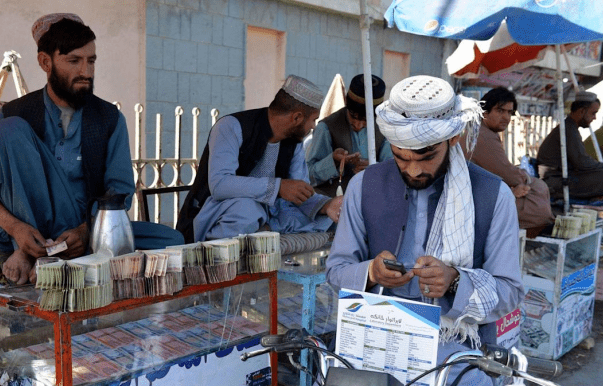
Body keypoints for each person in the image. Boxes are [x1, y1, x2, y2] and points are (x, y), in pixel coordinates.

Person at [326, 75, 524, 386]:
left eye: (427, 157)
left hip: (456, 351)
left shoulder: (494, 194)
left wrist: (456, 280)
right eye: (401, 158)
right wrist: (372, 274)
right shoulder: (364, 186)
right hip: (374, 341)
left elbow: (509, 293)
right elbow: (336, 272)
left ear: (453, 138)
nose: (415, 170)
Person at [0, 14, 183, 285]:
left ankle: (56, 258)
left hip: (87, 231)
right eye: (74, 61)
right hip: (28, 231)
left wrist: (85, 231)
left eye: (91, 61)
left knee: (173, 242)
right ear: (45, 62)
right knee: (11, 129)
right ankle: (30, 252)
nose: (87, 72)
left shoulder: (109, 118)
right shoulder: (14, 115)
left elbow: (119, 191)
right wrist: (16, 228)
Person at [177, 75, 343, 243]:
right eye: (313, 120)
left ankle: (263, 231)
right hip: (217, 213)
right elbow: (219, 185)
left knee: (326, 219)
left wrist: (327, 206)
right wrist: (277, 187)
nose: (314, 126)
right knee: (248, 210)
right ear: (297, 118)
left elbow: (299, 192)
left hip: (268, 213)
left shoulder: (294, 142)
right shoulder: (230, 126)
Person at [461, 87, 554, 233]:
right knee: (537, 189)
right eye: (500, 111)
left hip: (475, 191)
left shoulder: (480, 129)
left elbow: (500, 171)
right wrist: (521, 180)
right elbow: (508, 174)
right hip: (470, 199)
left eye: (509, 112)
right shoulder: (481, 134)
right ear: (484, 112)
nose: (506, 117)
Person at [306, 74, 392, 197]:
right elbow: (308, 175)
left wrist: (374, 169)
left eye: (365, 120)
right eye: (353, 117)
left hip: (372, 201)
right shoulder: (326, 128)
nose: (358, 124)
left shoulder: (384, 128)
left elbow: (394, 170)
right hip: (334, 205)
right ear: (346, 103)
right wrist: (334, 162)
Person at [537, 91, 603, 200]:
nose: (595, 118)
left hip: (560, 177)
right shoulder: (568, 130)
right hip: (555, 181)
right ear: (582, 111)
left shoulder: (570, 127)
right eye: (593, 113)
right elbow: (583, 163)